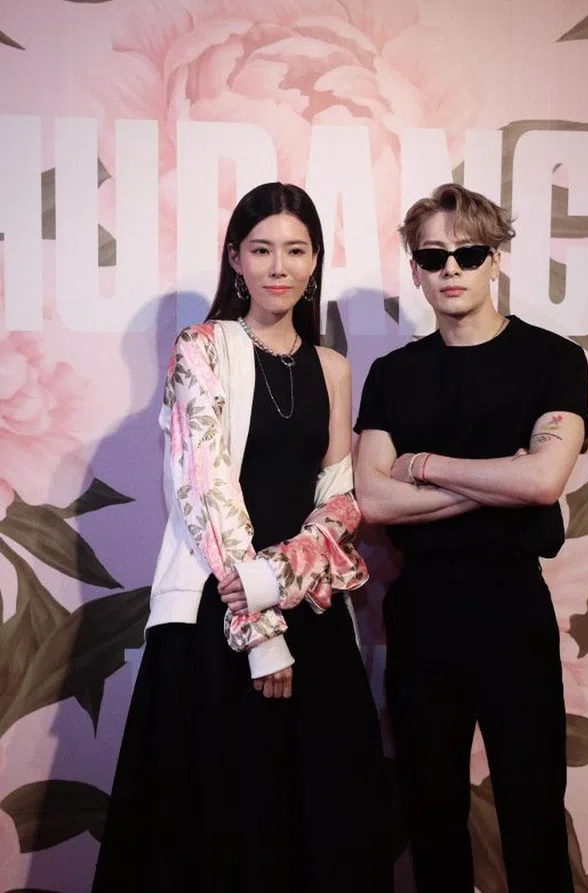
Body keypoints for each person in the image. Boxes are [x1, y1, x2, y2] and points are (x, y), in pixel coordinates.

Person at [93, 182, 392, 893]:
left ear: (314, 261)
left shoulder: (333, 367)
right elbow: (205, 488)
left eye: (295, 250)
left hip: (307, 610)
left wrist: (280, 578)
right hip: (217, 610)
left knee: (314, 819)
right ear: (235, 259)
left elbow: (338, 497)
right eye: (261, 250)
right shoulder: (201, 347)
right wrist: (259, 628)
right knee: (218, 819)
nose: (278, 267)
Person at [353, 183, 588, 893]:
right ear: (416, 268)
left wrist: (426, 466)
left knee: (533, 816)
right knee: (432, 821)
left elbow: (543, 481)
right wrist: (499, 480)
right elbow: (372, 499)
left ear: (497, 259)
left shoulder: (553, 359)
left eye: (468, 253)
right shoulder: (394, 375)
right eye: (433, 256)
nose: (450, 268)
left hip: (513, 610)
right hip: (421, 616)